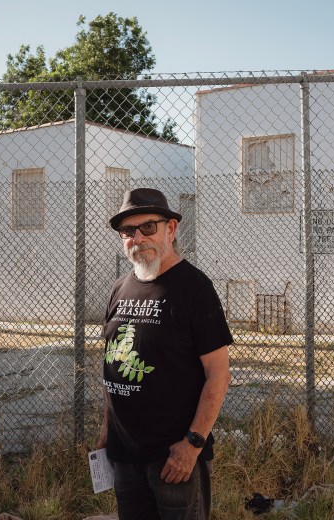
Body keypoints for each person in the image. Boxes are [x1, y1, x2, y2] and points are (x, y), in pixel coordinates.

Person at [98, 187, 233, 520]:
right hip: (125, 453)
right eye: (128, 231)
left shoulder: (194, 288)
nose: (137, 237)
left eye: (148, 227)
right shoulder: (120, 287)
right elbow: (112, 363)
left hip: (174, 458)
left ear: (170, 229)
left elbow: (219, 374)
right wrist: (106, 433)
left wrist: (192, 444)